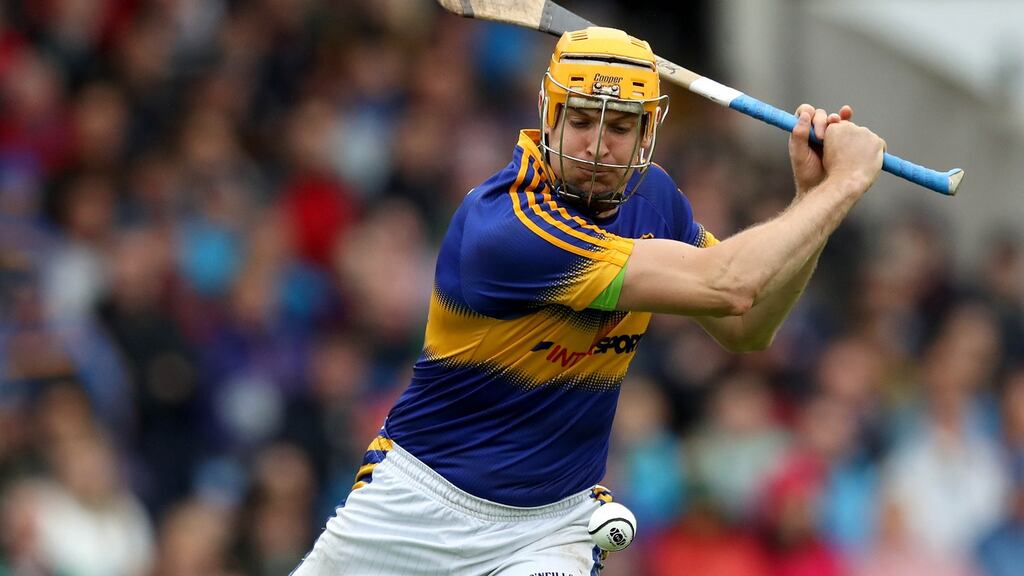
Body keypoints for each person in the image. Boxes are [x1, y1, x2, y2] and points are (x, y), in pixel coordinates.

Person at [292, 26, 885, 576]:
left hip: (550, 526)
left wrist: (814, 200)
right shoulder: (509, 227)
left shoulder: (654, 200)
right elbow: (729, 284)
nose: (598, 145)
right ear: (548, 117)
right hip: (422, 500)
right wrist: (840, 187)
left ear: (647, 133)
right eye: (580, 119)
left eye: (620, 126)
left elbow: (748, 327)